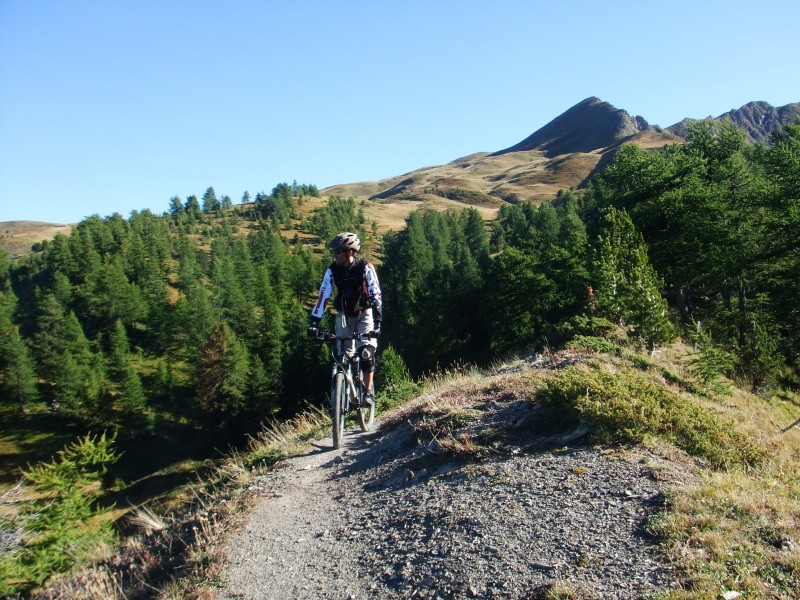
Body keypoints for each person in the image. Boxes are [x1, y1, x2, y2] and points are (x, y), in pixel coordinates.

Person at [308, 232, 383, 406]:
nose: (334, 255)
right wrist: (314, 322)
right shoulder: (332, 270)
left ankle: (368, 392)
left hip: (364, 313)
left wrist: (378, 322)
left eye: (337, 252)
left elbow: (375, 293)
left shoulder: (365, 266)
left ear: (349, 252)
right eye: (333, 252)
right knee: (342, 357)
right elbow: (323, 296)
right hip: (344, 316)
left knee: (366, 352)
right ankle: (343, 394)